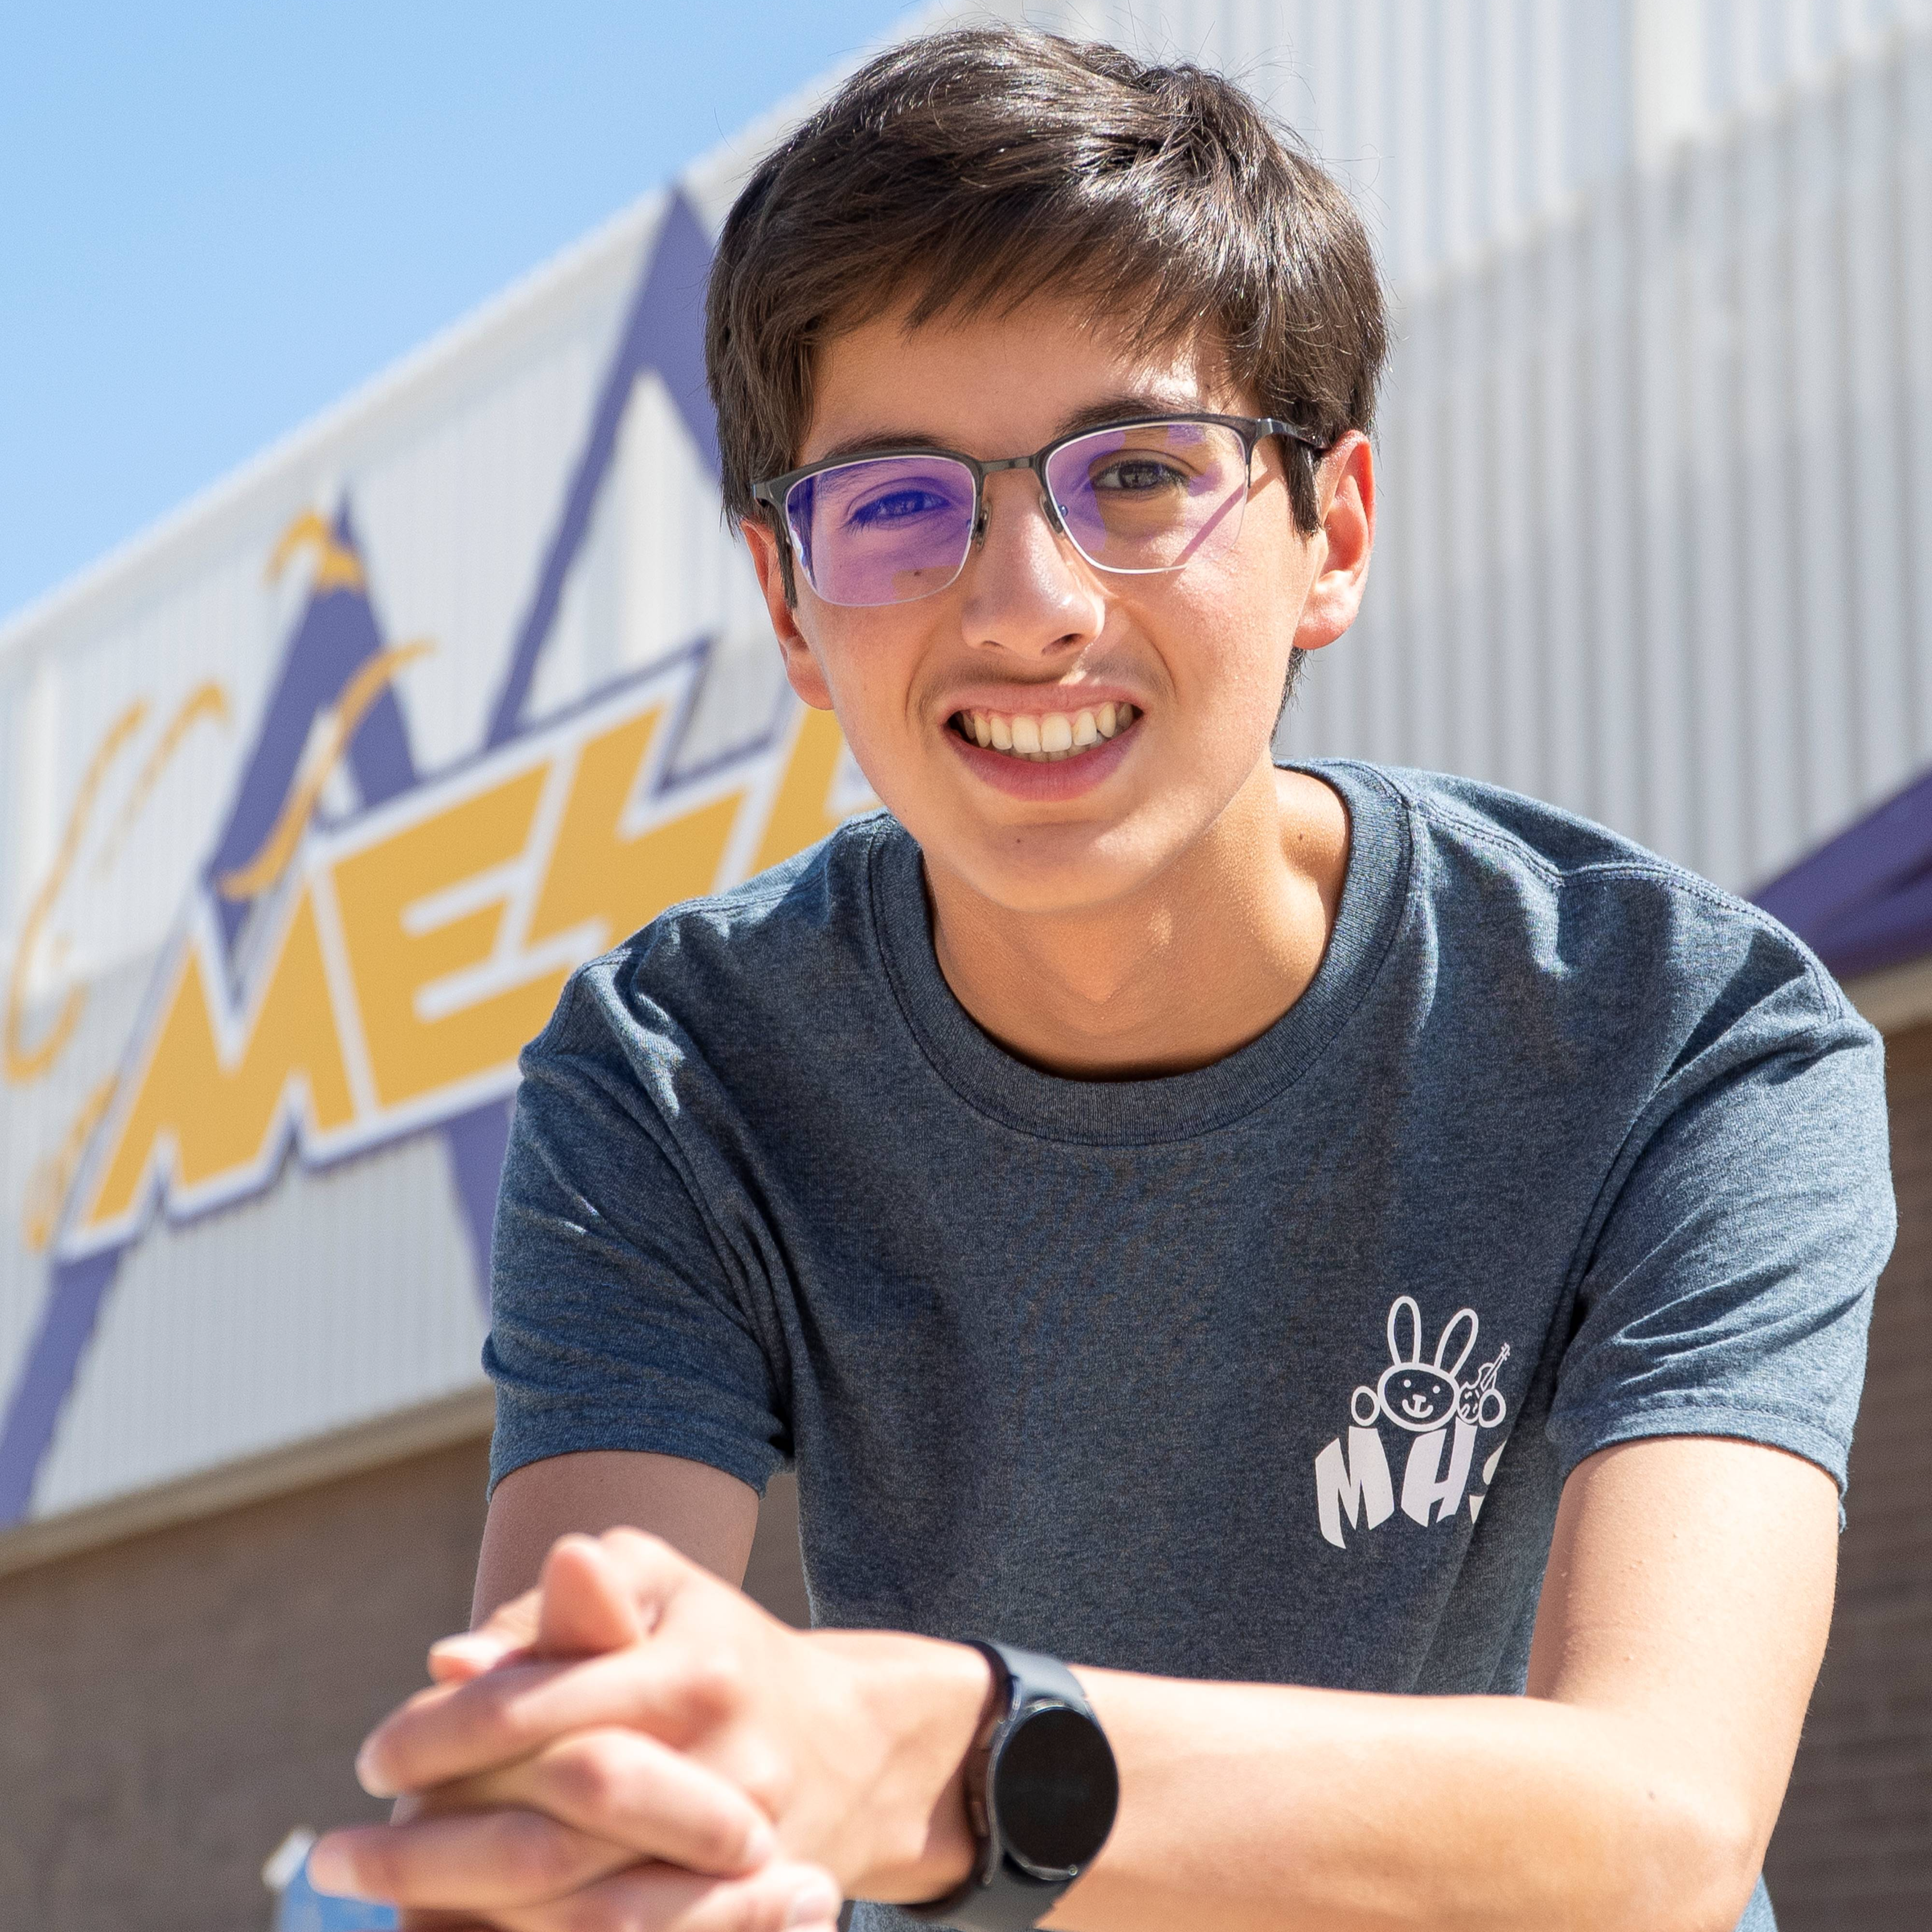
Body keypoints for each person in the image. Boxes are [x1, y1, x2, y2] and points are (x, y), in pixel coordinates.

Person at [308, 25, 1893, 1932]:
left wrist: (961, 1753)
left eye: (1136, 471)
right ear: (790, 609)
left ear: (1336, 535)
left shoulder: (1680, 1039)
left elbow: (1659, 1826)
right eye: (896, 503)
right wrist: (595, 1840)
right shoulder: (678, 1069)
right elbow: (602, 1746)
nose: (1026, 598)